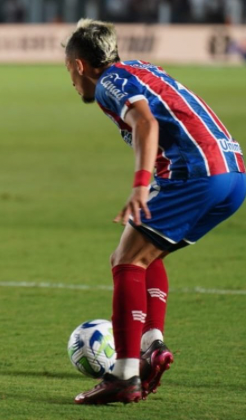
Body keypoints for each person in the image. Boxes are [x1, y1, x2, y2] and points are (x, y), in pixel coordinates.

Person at [63, 19, 246, 405]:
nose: (72, 81)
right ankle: (152, 346)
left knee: (125, 260)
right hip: (233, 174)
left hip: (198, 174)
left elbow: (145, 121)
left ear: (80, 66)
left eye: (69, 71)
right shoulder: (142, 68)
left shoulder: (110, 82)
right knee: (146, 251)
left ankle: (125, 374)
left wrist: (141, 184)